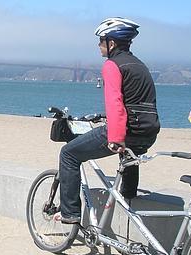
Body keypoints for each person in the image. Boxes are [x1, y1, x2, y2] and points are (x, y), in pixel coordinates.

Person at [59, 17, 160, 224]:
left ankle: (69, 213)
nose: (99, 45)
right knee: (129, 156)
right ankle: (128, 195)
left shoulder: (112, 65)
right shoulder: (140, 66)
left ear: (111, 43)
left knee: (68, 154)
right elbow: (137, 101)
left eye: (101, 41)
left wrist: (116, 137)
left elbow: (115, 103)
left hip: (127, 131)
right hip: (148, 131)